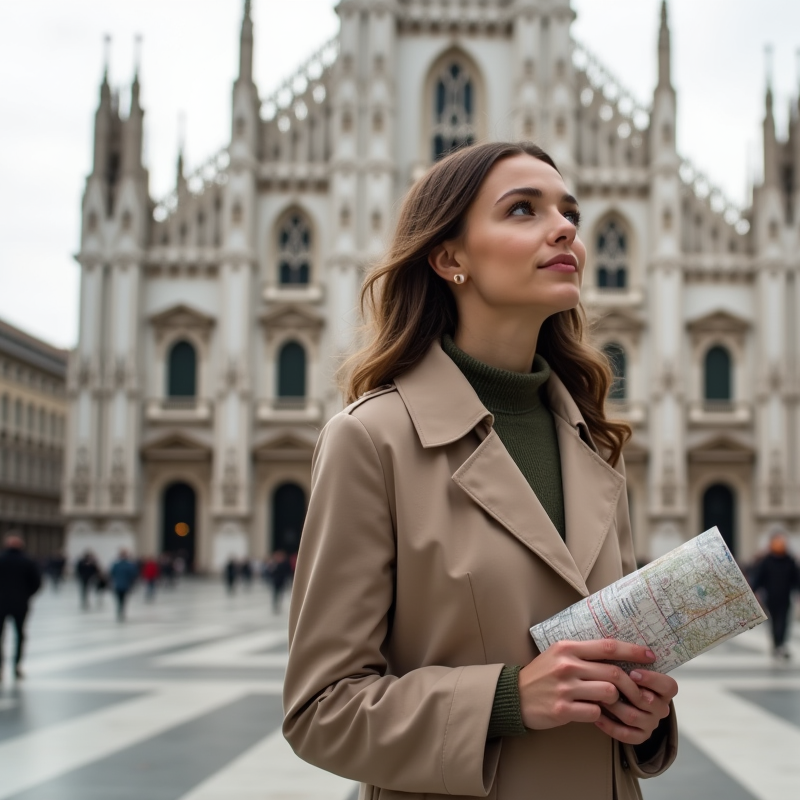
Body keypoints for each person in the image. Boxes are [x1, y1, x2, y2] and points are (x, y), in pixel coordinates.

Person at [281, 143, 678, 798]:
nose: (566, 228)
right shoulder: (372, 440)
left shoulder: (592, 441)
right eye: (523, 209)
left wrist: (645, 717)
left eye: (568, 211)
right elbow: (320, 711)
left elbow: (608, 664)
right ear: (448, 257)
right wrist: (508, 699)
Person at [0, 535, 42, 682]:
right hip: (20, 604)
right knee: (20, 635)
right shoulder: (28, 561)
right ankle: (17, 666)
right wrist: (26, 595)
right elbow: (37, 583)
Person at [749, 535, 800, 659]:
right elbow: (759, 578)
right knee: (774, 622)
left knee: (784, 621)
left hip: (785, 596)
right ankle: (776, 644)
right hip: (771, 597)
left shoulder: (789, 560)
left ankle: (781, 643)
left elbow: (797, 578)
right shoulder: (767, 561)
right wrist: (753, 591)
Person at [109, 550, 138, 622]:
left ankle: (120, 610)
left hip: (119, 585)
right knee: (123, 599)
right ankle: (121, 610)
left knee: (120, 599)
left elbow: (111, 574)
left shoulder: (116, 565)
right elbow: (133, 575)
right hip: (125, 585)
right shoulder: (129, 565)